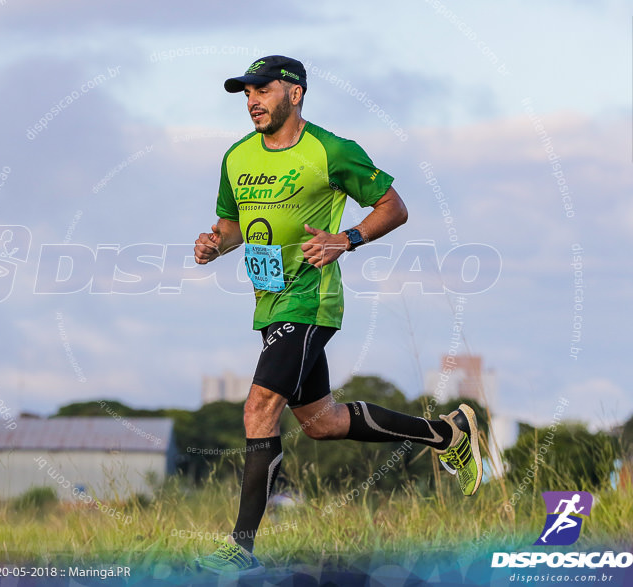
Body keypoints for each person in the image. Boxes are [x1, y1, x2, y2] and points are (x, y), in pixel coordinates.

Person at [191, 56, 484, 576]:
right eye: (246, 93)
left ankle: (240, 549)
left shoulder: (331, 151)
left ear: (295, 94)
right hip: (269, 302)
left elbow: (393, 206)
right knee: (323, 423)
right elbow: (231, 226)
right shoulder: (236, 157)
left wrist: (346, 239)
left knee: (259, 408)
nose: (253, 101)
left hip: (312, 299)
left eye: (262, 90)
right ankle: (446, 434)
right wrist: (215, 245)